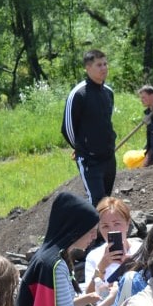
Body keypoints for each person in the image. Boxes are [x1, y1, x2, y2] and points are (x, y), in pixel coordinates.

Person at [83, 197, 143, 306]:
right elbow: (88, 298)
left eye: (117, 224)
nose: (111, 231)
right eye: (105, 226)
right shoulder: (94, 257)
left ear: (128, 223)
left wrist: (131, 264)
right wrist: (102, 266)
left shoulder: (141, 250)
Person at [64, 50, 117, 206]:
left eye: (105, 64)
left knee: (107, 201)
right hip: (89, 160)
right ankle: (92, 230)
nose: (104, 68)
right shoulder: (78, 94)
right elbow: (67, 128)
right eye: (99, 65)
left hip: (108, 157)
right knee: (97, 202)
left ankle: (107, 230)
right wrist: (81, 147)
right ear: (88, 68)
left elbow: (107, 120)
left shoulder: (108, 92)